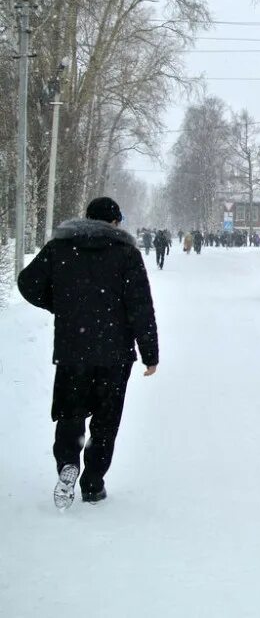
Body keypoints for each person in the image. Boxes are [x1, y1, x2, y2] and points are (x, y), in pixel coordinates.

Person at [17, 196, 158, 509]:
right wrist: (150, 354)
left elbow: (27, 283)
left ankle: (67, 464)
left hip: (72, 350)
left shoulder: (60, 248)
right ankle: (93, 482)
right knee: (106, 420)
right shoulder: (126, 254)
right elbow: (140, 307)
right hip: (115, 354)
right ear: (114, 222)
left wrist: (61, 305)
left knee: (71, 412)